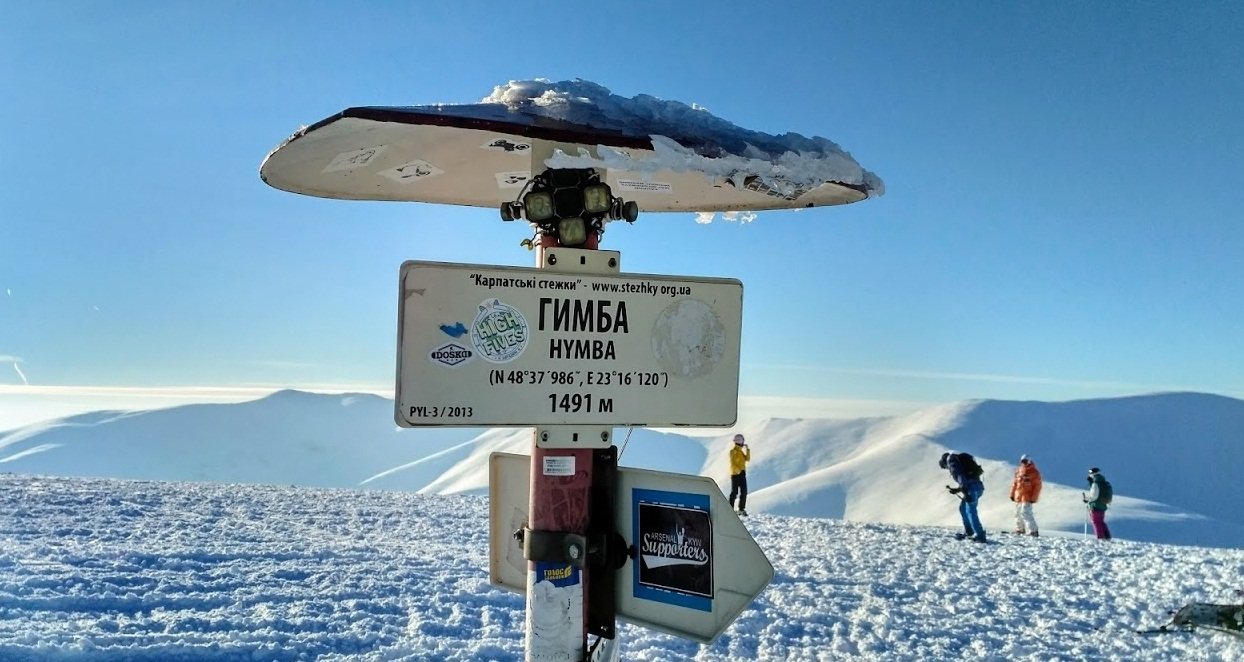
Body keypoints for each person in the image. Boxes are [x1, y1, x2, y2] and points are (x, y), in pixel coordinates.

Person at [940, 451, 987, 542]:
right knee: (963, 508)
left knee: (970, 510)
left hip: (971, 489)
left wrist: (965, 492)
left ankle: (980, 535)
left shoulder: (952, 462)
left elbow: (961, 477)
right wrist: (957, 490)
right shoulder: (959, 460)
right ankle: (970, 532)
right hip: (978, 487)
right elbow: (968, 479)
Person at [1009, 454, 1043, 536]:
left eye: (1025, 461)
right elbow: (1015, 483)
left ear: (1029, 461)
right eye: (1022, 461)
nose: (1024, 463)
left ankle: (1033, 530)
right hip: (1018, 495)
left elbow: (1037, 486)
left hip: (1027, 496)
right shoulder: (1019, 471)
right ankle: (1020, 529)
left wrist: (1034, 498)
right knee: (1017, 513)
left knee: (1026, 512)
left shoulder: (1034, 472)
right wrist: (1012, 494)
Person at [1084, 467, 1113, 540]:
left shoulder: (1096, 483)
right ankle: (1107, 537)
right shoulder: (1102, 482)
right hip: (1102, 505)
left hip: (1095, 505)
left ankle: (1100, 538)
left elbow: (1094, 495)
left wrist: (1088, 500)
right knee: (1101, 521)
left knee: (1096, 522)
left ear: (1092, 474)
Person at [728, 433, 750, 516]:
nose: (743, 442)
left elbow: (747, 459)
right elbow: (733, 463)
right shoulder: (733, 451)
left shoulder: (740, 451)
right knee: (734, 492)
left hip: (742, 474)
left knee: (744, 492)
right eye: (742, 440)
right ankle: (730, 509)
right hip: (735, 474)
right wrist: (739, 471)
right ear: (740, 441)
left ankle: (741, 509)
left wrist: (747, 450)